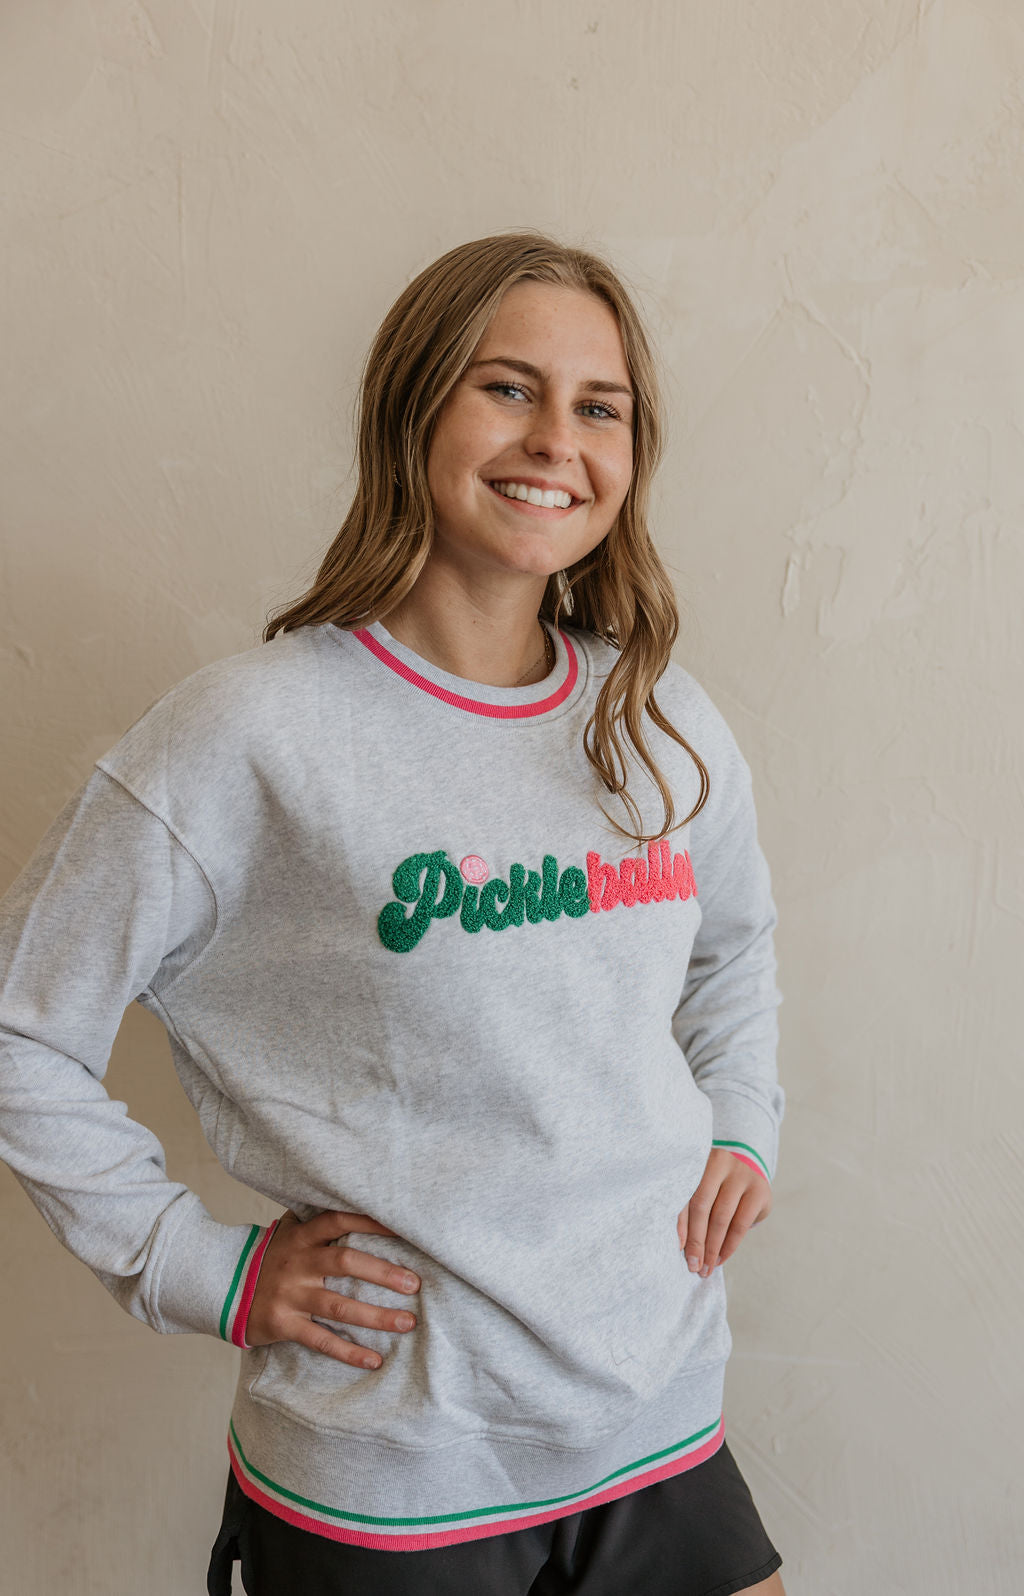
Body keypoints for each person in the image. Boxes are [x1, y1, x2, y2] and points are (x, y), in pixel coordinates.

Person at [0, 231, 787, 1596]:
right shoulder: (252, 735)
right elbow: (19, 1027)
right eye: (508, 387)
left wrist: (742, 1120)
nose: (556, 440)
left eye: (599, 407)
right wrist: (196, 1266)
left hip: (660, 1417)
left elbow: (733, 949)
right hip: (397, 1470)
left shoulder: (658, 715)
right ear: (412, 406)